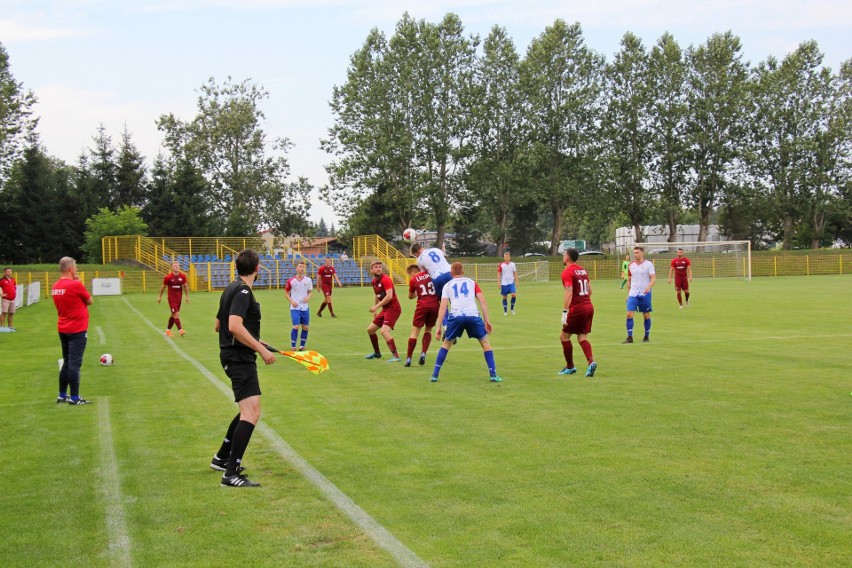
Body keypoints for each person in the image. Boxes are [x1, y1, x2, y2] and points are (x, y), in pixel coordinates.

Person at [211, 249, 276, 488]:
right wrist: (260, 349)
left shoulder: (231, 287)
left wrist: (258, 341)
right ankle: (230, 474)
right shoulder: (243, 291)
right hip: (239, 358)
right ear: (257, 268)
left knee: (246, 409)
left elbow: (219, 326)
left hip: (234, 354)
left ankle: (222, 458)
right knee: (252, 413)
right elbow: (234, 326)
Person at [430, 262, 501, 383]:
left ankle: (435, 375)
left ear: (451, 273)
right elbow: (483, 301)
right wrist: (486, 320)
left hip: (456, 316)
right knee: (484, 342)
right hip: (472, 314)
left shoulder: (447, 285)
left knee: (447, 344)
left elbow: (442, 307)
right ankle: (493, 375)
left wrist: (438, 327)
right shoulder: (472, 283)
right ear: (463, 272)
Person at [51, 257, 93, 405]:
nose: (76, 269)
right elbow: (89, 301)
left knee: (67, 362)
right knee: (75, 364)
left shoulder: (56, 286)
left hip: (63, 327)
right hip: (77, 329)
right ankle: (75, 398)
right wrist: (78, 282)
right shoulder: (75, 285)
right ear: (70, 269)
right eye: (75, 267)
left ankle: (62, 395)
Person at [558, 248, 597, 377]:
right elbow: (590, 291)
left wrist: (564, 312)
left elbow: (568, 292)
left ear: (567, 258)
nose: (563, 257)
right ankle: (591, 362)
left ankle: (570, 367)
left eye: (564, 255)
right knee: (582, 337)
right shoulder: (583, 270)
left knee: (564, 336)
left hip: (578, 308)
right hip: (589, 306)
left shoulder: (567, 272)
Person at [365, 260, 402, 362]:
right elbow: (377, 295)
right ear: (372, 270)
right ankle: (377, 353)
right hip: (386, 309)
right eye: (376, 267)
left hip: (393, 308)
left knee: (384, 331)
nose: (378, 268)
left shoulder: (386, 280)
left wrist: (376, 307)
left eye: (380, 267)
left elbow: (389, 296)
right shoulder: (374, 282)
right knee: (370, 330)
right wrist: (375, 307)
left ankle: (396, 356)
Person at [405, 264, 439, 367]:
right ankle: (423, 353)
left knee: (415, 332)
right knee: (428, 330)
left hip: (422, 306)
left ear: (413, 272)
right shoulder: (431, 274)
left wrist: (418, 292)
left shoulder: (414, 279)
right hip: (434, 305)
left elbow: (410, 296)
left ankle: (409, 358)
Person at [623, 246, 655, 343]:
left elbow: (653, 278)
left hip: (645, 294)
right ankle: (629, 337)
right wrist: (628, 294)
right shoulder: (631, 265)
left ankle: (646, 336)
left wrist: (648, 287)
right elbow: (629, 280)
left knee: (646, 316)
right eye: (634, 253)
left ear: (642, 253)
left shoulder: (649, 264)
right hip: (633, 293)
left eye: (637, 252)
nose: (635, 254)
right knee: (629, 314)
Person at [284, 260, 313, 350]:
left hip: (305, 307)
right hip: (295, 307)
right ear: (296, 268)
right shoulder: (291, 281)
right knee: (296, 326)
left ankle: (302, 346)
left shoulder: (308, 280)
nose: (302, 268)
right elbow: (286, 293)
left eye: (303, 267)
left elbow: (310, 292)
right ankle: (293, 346)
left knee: (305, 327)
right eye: (300, 266)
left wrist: (308, 297)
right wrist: (292, 301)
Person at [157, 261, 190, 336]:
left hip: (179, 299)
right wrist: (160, 296)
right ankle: (180, 330)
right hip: (171, 299)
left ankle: (167, 331)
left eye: (177, 265)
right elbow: (163, 287)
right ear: (172, 268)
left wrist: (187, 297)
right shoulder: (168, 277)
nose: (176, 267)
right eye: (175, 266)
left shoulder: (183, 276)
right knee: (176, 314)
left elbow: (186, 286)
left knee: (173, 315)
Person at [0, 267, 17, 332]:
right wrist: (1, 294)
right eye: (8, 271)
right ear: (5, 272)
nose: (9, 273)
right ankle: (2, 327)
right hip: (5, 299)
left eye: (10, 271)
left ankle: (10, 327)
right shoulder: (2, 280)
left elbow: (15, 287)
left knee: (11, 313)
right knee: (4, 312)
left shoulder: (13, 279)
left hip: (12, 299)